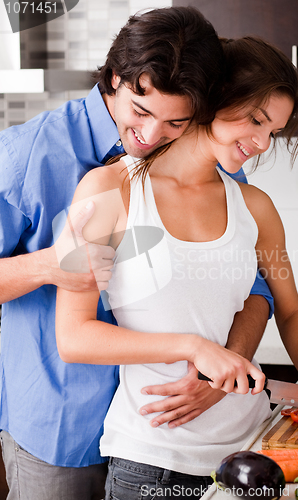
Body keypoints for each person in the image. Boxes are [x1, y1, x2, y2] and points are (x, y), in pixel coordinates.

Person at [55, 36, 298, 500]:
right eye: (255, 120)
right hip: (152, 462)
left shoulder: (256, 207)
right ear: (213, 96)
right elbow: (73, 336)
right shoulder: (106, 190)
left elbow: (289, 309)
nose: (262, 142)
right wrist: (194, 348)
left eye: (272, 132)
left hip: (252, 452)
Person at [0, 7, 275, 499]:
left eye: (175, 122)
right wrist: (51, 265)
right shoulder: (27, 154)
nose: (150, 136)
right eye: (140, 111)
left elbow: (253, 285)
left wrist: (225, 365)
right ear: (113, 78)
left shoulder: (213, 170)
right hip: (64, 432)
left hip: (171, 433)